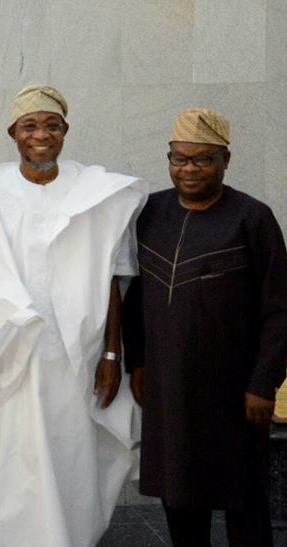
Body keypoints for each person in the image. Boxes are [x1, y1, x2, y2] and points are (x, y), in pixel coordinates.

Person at [0, 85, 147, 547]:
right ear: (13, 134)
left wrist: (112, 352)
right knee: (4, 461)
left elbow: (112, 274)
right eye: (30, 126)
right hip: (9, 352)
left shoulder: (95, 190)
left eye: (52, 125)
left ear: (65, 132)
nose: (41, 135)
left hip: (75, 356)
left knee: (69, 456)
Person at [123, 108, 287, 547]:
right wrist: (136, 361)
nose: (189, 169)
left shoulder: (252, 218)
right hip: (170, 390)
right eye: (179, 158)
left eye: (202, 159)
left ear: (225, 161)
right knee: (179, 500)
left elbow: (279, 309)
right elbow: (135, 296)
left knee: (245, 505)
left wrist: (263, 383)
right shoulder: (150, 211)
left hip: (235, 393)